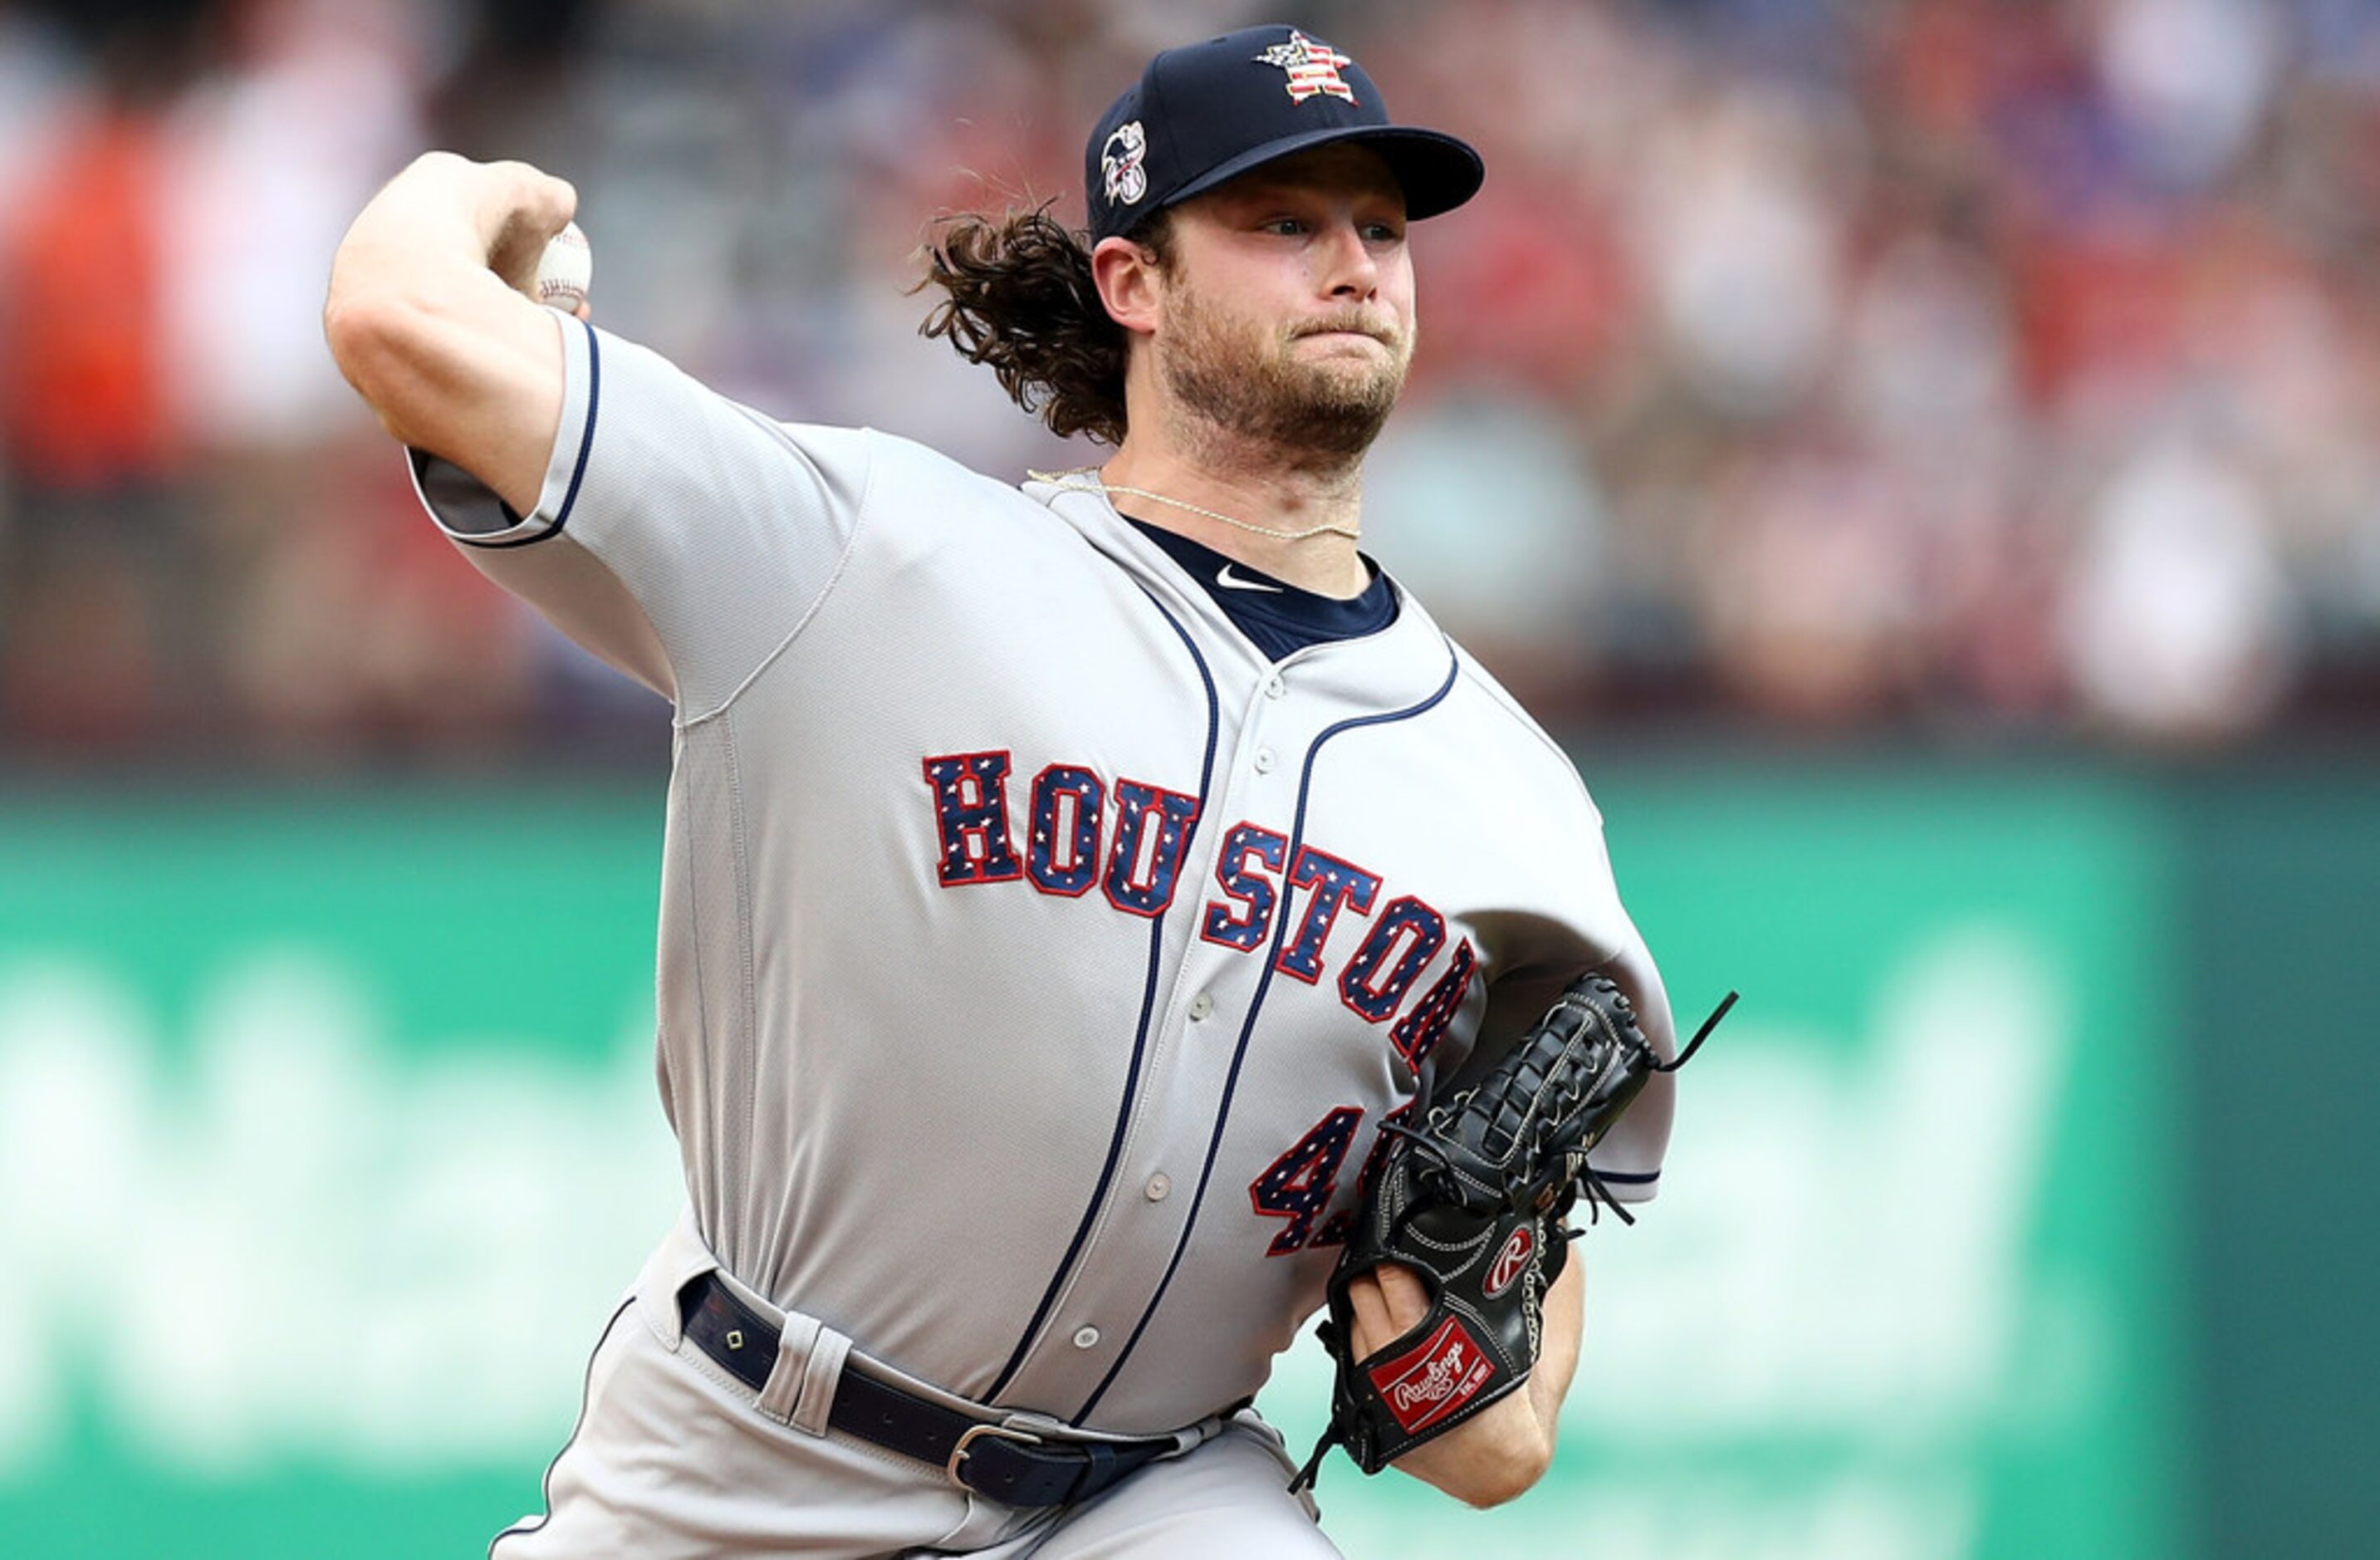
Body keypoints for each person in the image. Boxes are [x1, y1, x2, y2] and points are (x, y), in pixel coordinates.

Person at [325, 22, 1679, 1558]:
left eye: (1380, 226)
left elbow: (1525, 1268)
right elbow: (397, 317)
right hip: (744, 1452)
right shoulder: (868, 555)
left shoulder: (1511, 796)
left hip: (1153, 1496)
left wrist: (1499, 1388)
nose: (1355, 264)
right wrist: (475, 184)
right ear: (1134, 282)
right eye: (1281, 222)